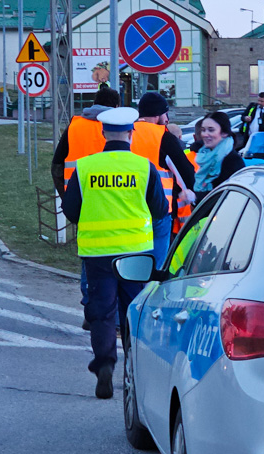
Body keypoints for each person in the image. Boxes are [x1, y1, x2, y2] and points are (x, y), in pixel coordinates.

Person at [61, 107, 169, 399]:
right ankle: (137, 369)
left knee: (102, 313)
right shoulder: (143, 167)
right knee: (134, 311)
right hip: (136, 254)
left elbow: (70, 211)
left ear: (103, 133)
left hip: (97, 255)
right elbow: (160, 209)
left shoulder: (85, 168)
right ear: (131, 133)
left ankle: (105, 364)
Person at [51, 86, 121, 331]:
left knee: (89, 256)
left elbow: (57, 164)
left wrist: (67, 196)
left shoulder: (75, 125)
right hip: (115, 199)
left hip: (83, 201)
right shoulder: (116, 127)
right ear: (116, 107)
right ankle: (115, 316)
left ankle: (90, 310)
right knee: (120, 256)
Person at [130, 92, 192, 240]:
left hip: (128, 209)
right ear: (159, 114)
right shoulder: (163, 136)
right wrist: (192, 194)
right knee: (158, 261)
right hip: (158, 210)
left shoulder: (127, 132)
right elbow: (185, 173)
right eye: (166, 114)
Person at [193, 111, 245, 201]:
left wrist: (195, 198)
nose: (205, 134)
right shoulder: (206, 156)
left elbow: (226, 198)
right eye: (203, 130)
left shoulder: (232, 161)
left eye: (211, 130)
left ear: (224, 133)